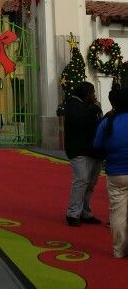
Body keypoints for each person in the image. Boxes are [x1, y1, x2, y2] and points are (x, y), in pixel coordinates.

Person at [93, 87, 128, 257]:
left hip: (116, 173)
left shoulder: (108, 122)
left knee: (118, 213)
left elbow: (97, 147)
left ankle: (119, 250)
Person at [63, 80, 103, 226]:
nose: (94, 95)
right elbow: (78, 123)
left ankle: (85, 211)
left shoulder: (90, 106)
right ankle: (73, 213)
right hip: (79, 149)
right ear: (86, 94)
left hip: (92, 150)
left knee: (90, 183)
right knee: (81, 181)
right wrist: (93, 110)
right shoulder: (73, 105)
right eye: (92, 92)